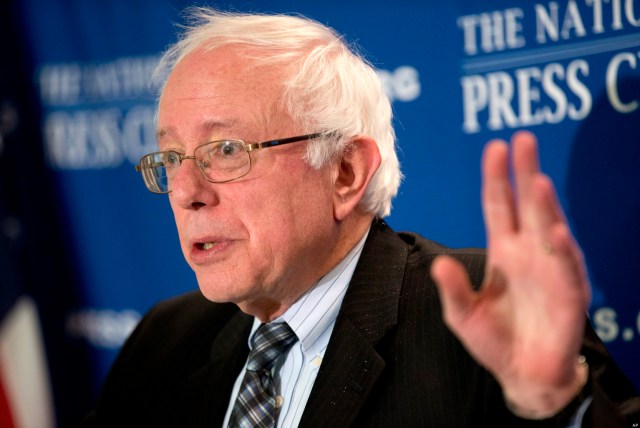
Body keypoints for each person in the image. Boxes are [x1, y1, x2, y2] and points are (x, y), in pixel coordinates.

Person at [81, 6, 639, 427]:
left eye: (225, 150)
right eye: (171, 157)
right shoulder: (163, 341)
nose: (183, 190)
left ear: (345, 172)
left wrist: (557, 404)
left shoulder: (482, 314)